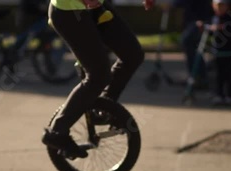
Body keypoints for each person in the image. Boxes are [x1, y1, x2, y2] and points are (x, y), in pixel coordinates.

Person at [41, 0, 152, 158]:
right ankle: (57, 132)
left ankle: (103, 109)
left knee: (133, 55)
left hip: (97, 7)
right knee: (99, 76)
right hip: (69, 11)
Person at [172, 0, 214, 91]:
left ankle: (197, 77)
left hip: (200, 21)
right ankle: (199, 76)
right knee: (194, 46)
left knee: (187, 41)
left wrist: (172, 4)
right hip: (195, 20)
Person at [209, 0, 231, 106]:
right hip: (217, 52)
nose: (220, 8)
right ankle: (219, 95)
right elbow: (211, 32)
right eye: (218, 5)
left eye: (222, 5)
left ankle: (230, 95)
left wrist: (220, 28)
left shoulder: (230, 18)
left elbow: (230, 30)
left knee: (228, 74)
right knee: (218, 75)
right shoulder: (214, 18)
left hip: (228, 52)